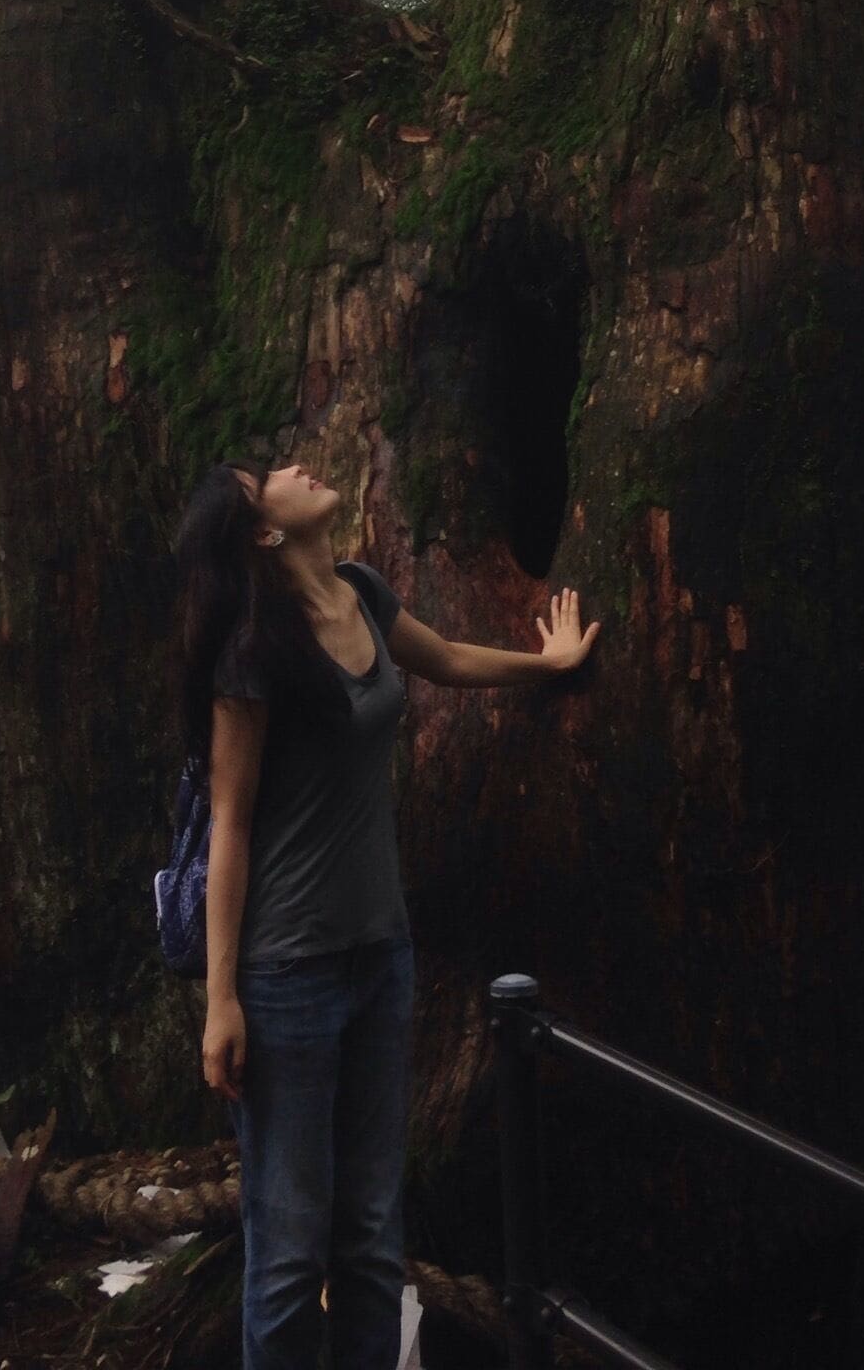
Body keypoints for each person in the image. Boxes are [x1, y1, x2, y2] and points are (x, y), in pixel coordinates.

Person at [172, 457, 601, 1370]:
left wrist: (550, 663)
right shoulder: (253, 651)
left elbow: (442, 658)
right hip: (286, 976)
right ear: (264, 532)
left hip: (380, 958)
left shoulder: (361, 593)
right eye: (268, 477)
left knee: (370, 1237)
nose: (295, 465)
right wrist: (222, 1000)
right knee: (289, 1254)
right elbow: (231, 824)